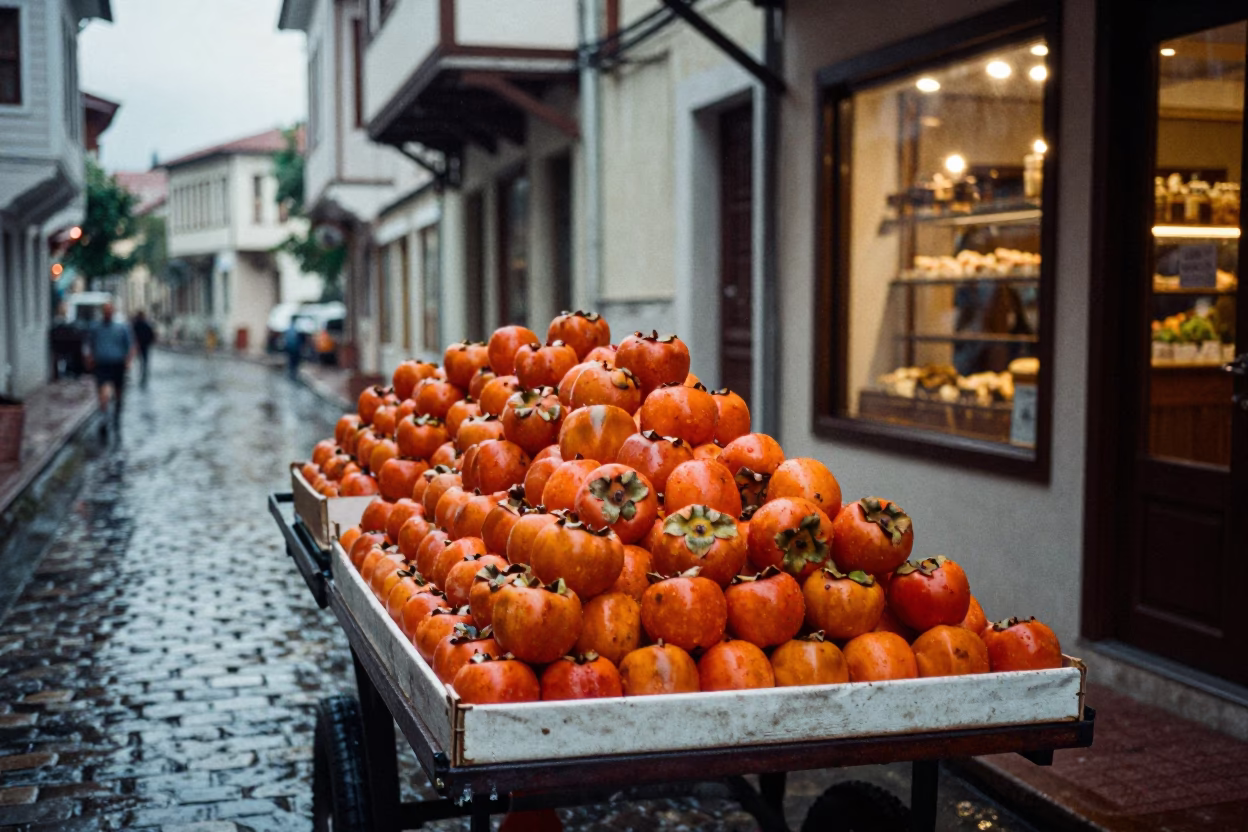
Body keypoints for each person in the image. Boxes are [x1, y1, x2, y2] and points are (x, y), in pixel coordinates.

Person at [84, 302, 132, 433]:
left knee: (118, 392)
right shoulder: (95, 328)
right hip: (102, 365)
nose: (108, 313)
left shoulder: (121, 328)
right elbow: (88, 344)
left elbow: (129, 346)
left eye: (110, 310)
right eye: (105, 311)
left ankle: (117, 412)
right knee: (103, 392)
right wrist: (89, 358)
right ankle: (104, 416)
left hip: (117, 364)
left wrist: (128, 361)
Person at [131, 310, 155, 388]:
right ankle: (143, 371)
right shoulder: (143, 325)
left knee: (142, 360)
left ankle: (143, 371)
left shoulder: (136, 325)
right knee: (144, 360)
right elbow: (151, 335)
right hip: (143, 345)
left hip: (141, 345)